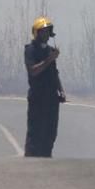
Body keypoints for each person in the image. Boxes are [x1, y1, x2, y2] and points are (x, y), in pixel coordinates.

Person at [24, 16, 66, 157]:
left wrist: (61, 90)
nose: (46, 35)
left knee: (51, 131)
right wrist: (49, 59)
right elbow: (33, 71)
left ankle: (46, 158)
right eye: (43, 32)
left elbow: (54, 73)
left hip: (51, 98)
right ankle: (31, 159)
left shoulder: (50, 51)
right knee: (35, 132)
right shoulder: (30, 50)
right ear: (36, 33)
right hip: (37, 97)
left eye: (48, 31)